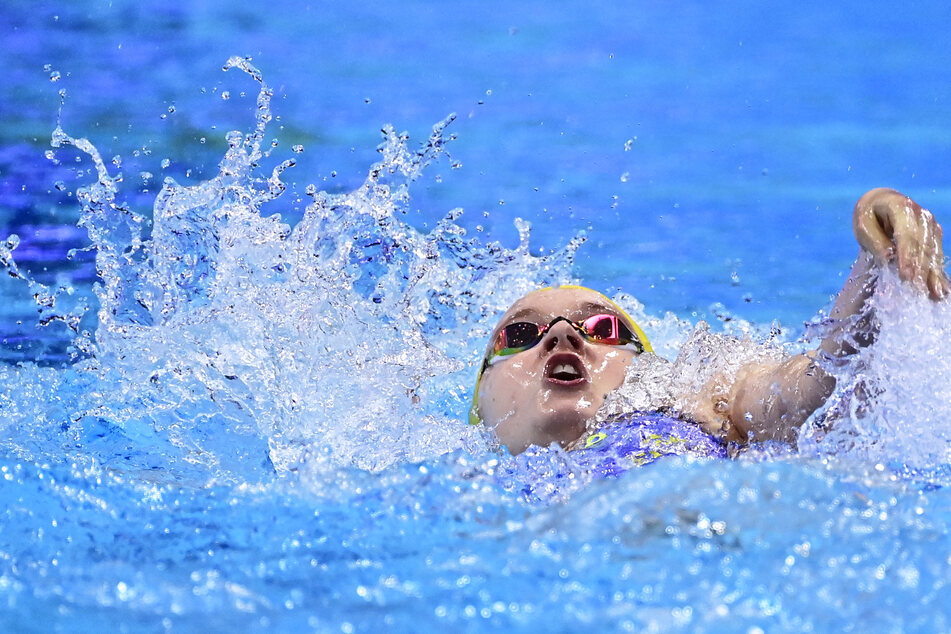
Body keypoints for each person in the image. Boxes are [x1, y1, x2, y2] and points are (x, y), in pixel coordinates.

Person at [470, 188, 949, 459]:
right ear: (479, 405)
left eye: (604, 328)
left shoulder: (706, 403)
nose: (562, 335)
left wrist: (876, 262)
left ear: (652, 368)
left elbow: (808, 389)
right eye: (519, 335)